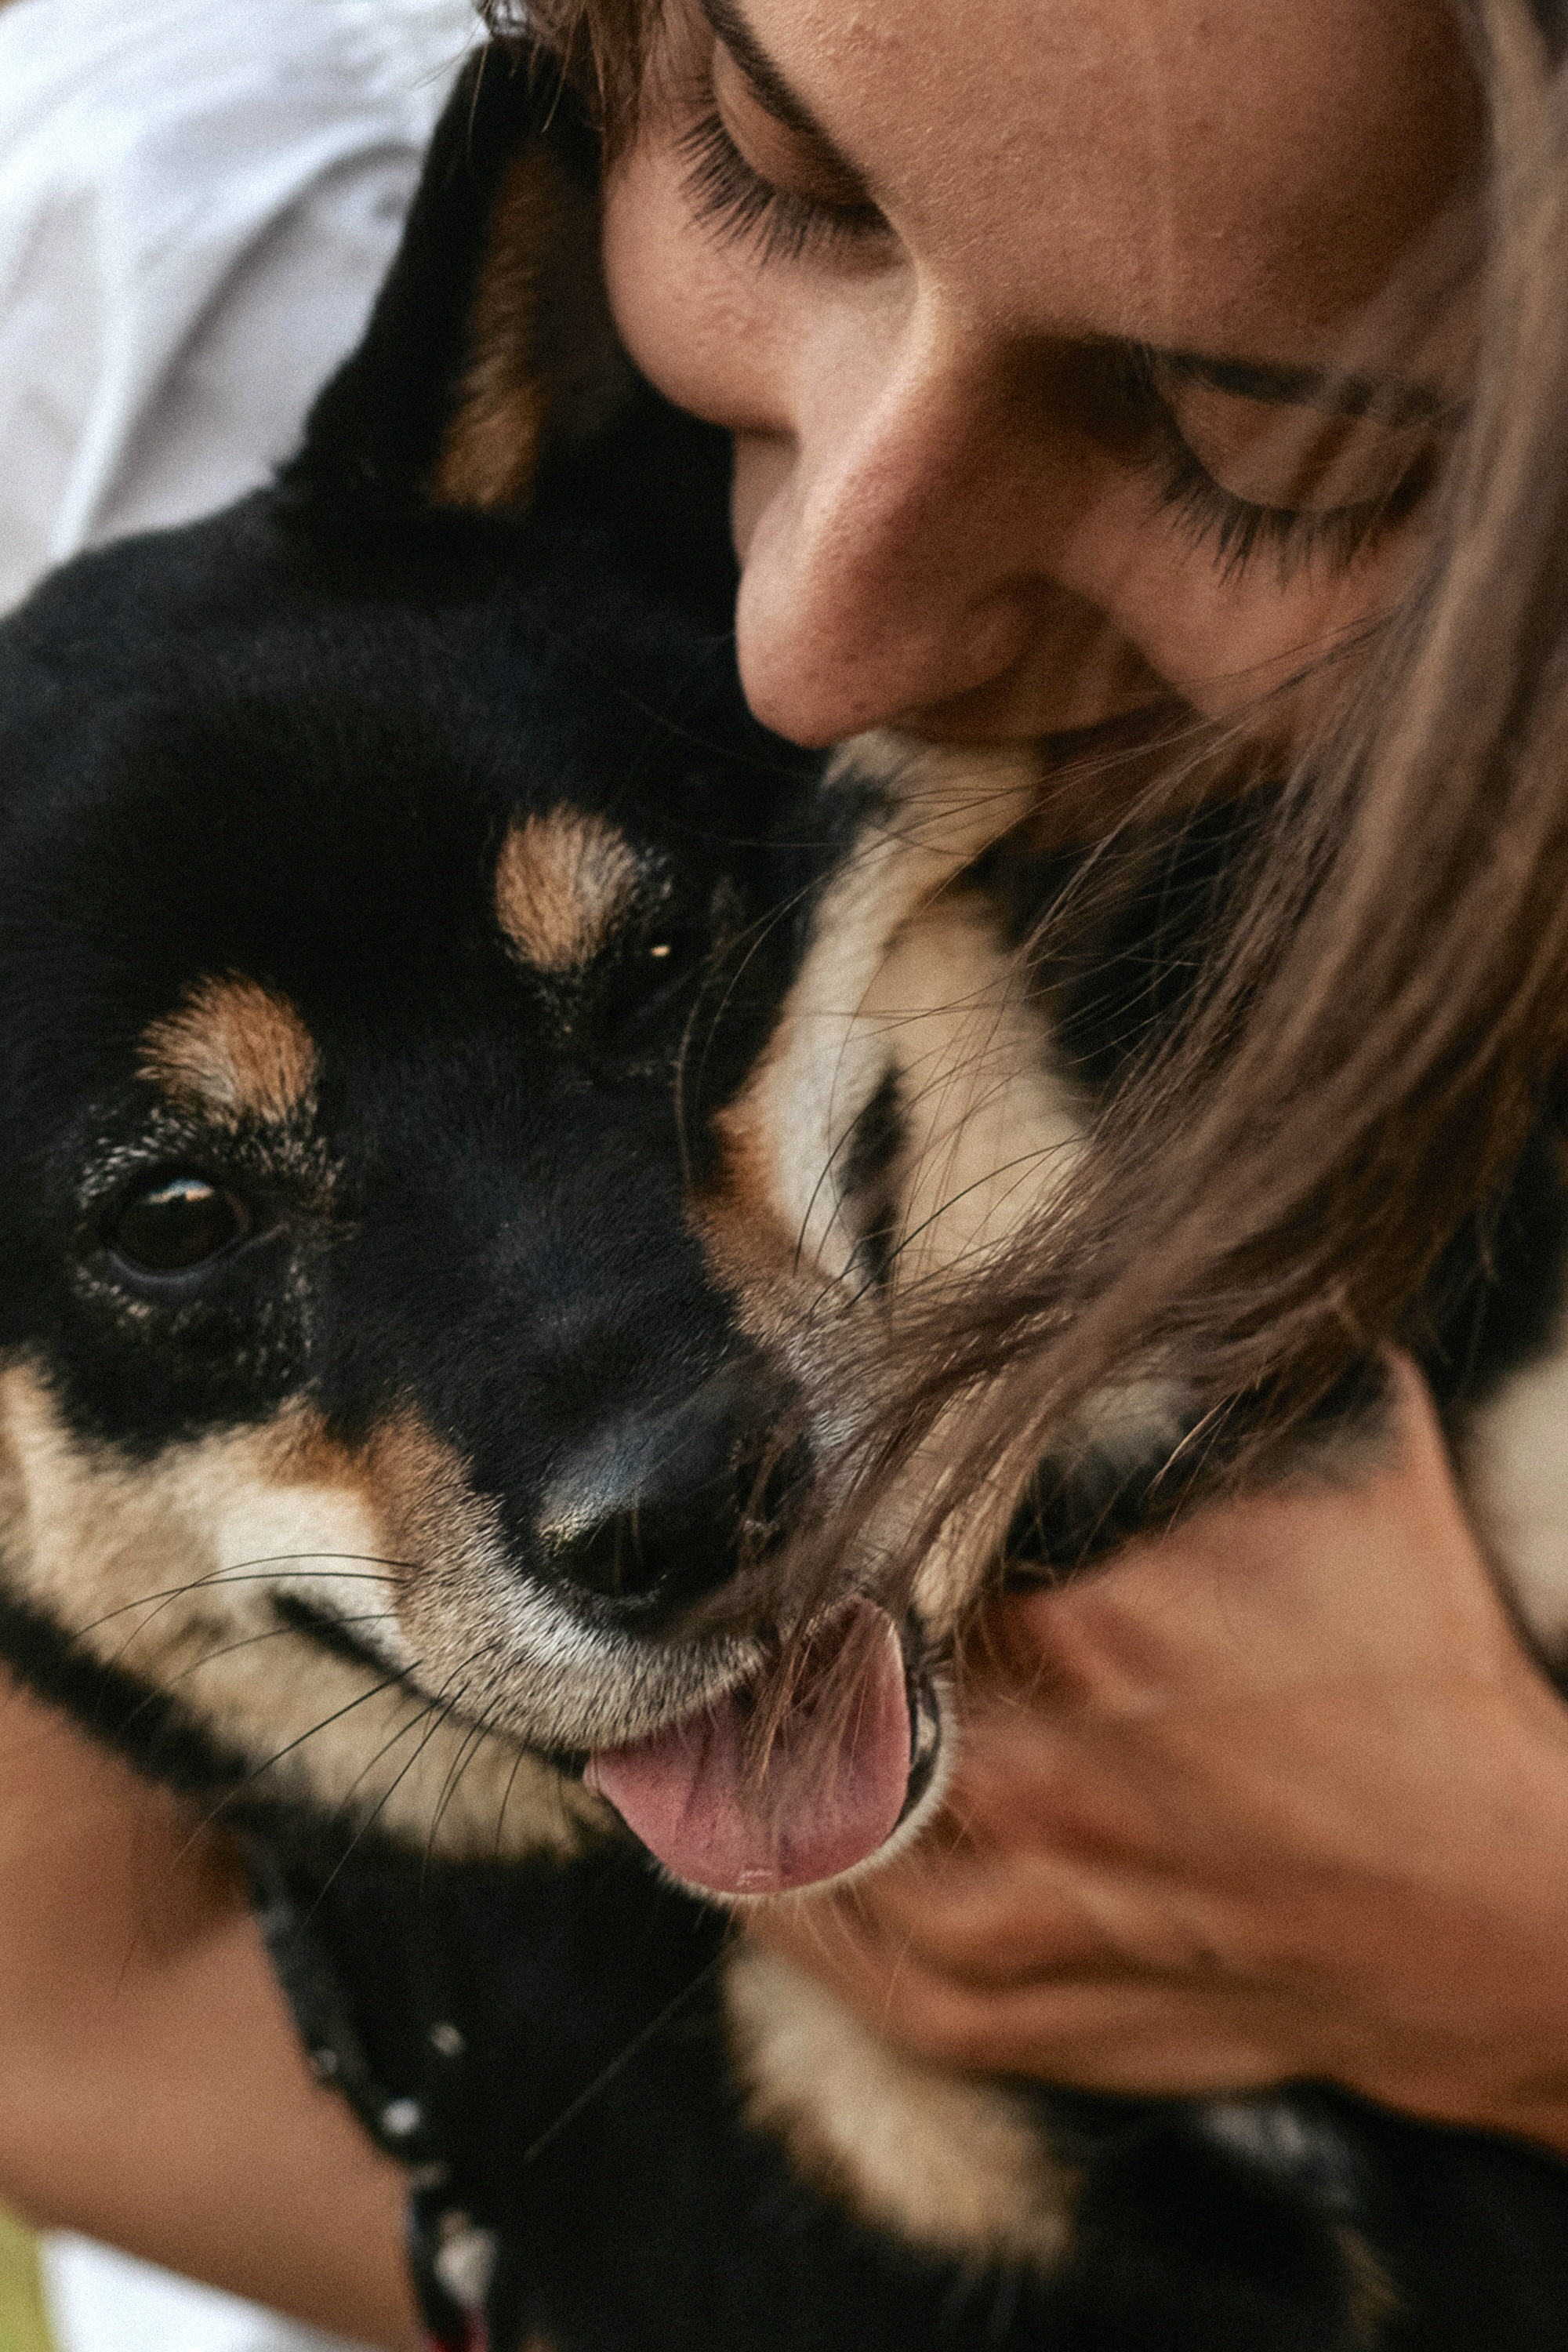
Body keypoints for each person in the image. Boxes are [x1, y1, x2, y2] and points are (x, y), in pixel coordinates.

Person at [4, 0, 1568, 2344]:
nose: (817, 633)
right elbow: (57, 2017)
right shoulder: (164, 236)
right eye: (775, 178)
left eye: (1254, 437)